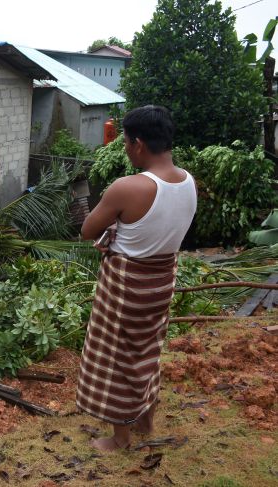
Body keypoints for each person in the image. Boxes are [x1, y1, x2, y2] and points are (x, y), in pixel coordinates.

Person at [76, 105, 197, 451]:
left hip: (127, 286)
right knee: (146, 351)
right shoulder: (189, 182)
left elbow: (88, 230)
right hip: (161, 284)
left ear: (139, 144)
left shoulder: (127, 188)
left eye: (126, 142)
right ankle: (145, 421)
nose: (125, 148)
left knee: (117, 358)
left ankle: (120, 440)